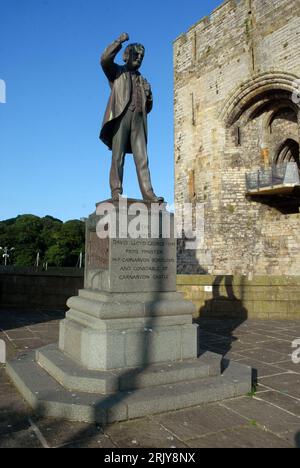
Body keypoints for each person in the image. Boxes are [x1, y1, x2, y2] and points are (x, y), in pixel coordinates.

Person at [100, 33, 164, 203]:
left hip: (138, 121)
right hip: (121, 117)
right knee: (118, 158)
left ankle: (148, 193)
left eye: (142, 56)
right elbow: (104, 60)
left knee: (143, 159)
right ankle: (116, 192)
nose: (139, 58)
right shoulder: (117, 72)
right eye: (136, 54)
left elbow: (147, 108)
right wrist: (118, 41)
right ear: (126, 56)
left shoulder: (143, 80)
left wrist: (149, 96)